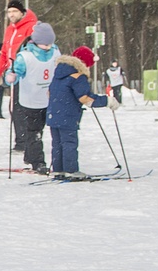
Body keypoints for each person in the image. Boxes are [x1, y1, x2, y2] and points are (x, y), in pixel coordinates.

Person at [46, 45, 114, 179]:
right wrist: (107, 101)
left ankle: (58, 170)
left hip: (53, 114)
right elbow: (85, 98)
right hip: (68, 116)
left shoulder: (59, 73)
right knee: (69, 143)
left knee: (57, 144)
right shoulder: (78, 77)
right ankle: (71, 170)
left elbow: (49, 92)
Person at [5, 21, 60, 174]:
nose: (47, 47)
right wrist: (11, 77)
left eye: (50, 43)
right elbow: (14, 73)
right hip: (30, 101)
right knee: (34, 131)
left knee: (40, 130)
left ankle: (29, 156)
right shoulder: (25, 56)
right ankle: (38, 161)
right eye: (44, 44)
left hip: (48, 99)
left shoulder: (55, 52)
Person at [0, 0, 37, 144]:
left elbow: (34, 50)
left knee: (23, 108)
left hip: (27, 73)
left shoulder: (31, 26)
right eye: (9, 12)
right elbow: (5, 53)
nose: (11, 15)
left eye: (14, 12)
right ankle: (21, 139)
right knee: (15, 107)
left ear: (21, 12)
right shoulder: (10, 30)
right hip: (13, 73)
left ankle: (26, 140)